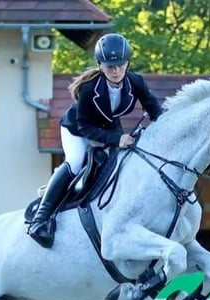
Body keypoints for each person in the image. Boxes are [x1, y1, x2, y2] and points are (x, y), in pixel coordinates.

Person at [27, 33, 164, 248]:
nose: (116, 71)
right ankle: (40, 220)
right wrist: (117, 139)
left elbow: (155, 110)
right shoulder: (90, 88)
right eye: (110, 67)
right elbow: (85, 127)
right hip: (77, 129)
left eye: (120, 65)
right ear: (101, 66)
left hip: (108, 127)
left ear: (127, 63)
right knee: (75, 161)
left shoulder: (135, 81)